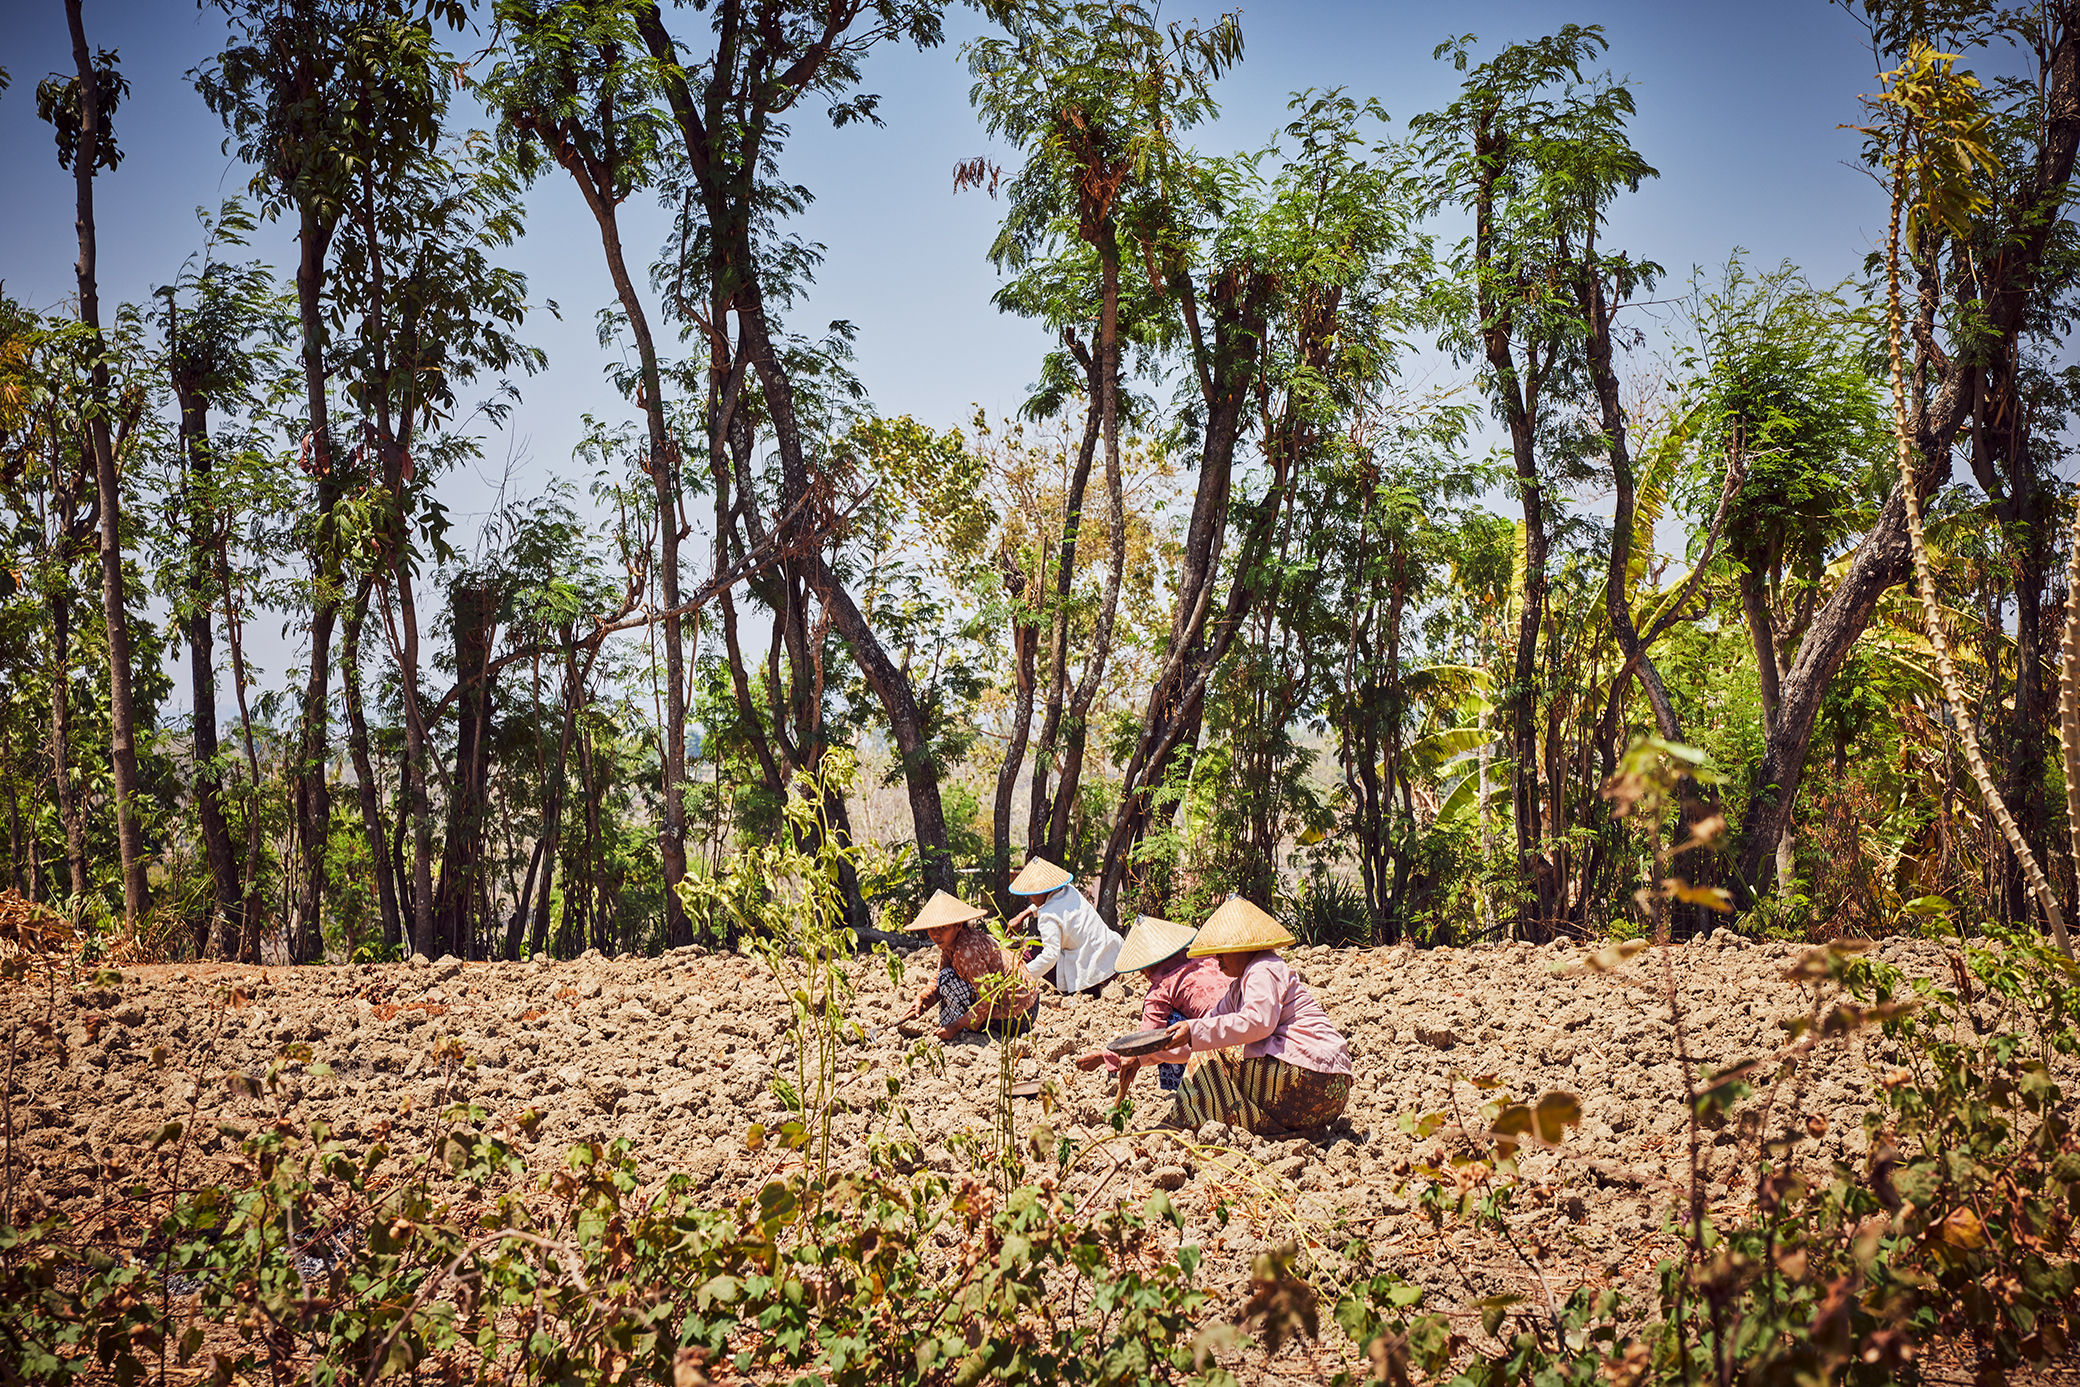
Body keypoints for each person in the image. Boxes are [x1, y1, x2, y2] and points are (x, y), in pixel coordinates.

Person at [1138, 895, 1353, 1135]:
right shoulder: (1239, 987)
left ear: (1242, 947)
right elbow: (1205, 1028)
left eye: (1222, 953)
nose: (1217, 961)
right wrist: (1146, 1054)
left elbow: (1257, 1023)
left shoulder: (1262, 969)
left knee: (1211, 1053)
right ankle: (1292, 1131)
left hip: (1312, 1078)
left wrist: (1193, 1032)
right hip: (1329, 1087)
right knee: (1208, 1045)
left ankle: (1183, 1120)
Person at [1073, 914, 1230, 1099]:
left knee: (1168, 1027)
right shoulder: (1205, 957)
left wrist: (1106, 1056)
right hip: (1248, 1031)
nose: (1142, 973)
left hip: (1221, 1051)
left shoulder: (1162, 988)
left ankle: (1190, 1088)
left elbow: (1147, 1040)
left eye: (1142, 968)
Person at [901, 890, 1039, 1042]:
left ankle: (959, 1031)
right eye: (932, 929)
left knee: (948, 980)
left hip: (1017, 1016)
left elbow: (988, 997)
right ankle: (955, 1026)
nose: (936, 935)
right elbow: (939, 977)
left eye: (942, 928)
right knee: (946, 976)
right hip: (1026, 1007)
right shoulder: (952, 944)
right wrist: (923, 999)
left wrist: (955, 1026)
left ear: (958, 925)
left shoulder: (966, 951)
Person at [1007, 856, 1124, 998]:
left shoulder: (1047, 916)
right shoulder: (1070, 891)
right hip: (1112, 962)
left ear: (1040, 892)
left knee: (1027, 950)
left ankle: (1081, 990)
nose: (1030, 898)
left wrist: (1021, 974)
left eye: (1031, 895)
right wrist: (1022, 915)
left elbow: (1050, 956)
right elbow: (1051, 904)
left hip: (1090, 976)